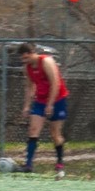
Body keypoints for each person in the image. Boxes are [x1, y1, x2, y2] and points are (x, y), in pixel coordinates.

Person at [18, 42, 69, 177]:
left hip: (57, 99)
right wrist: (27, 105)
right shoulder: (27, 68)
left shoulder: (46, 61)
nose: (24, 61)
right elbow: (29, 87)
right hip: (40, 100)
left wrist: (50, 104)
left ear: (32, 53)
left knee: (55, 134)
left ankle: (60, 163)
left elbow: (55, 83)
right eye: (22, 58)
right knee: (33, 130)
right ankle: (28, 164)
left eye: (26, 57)